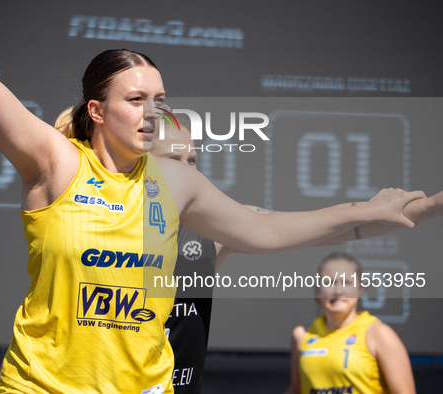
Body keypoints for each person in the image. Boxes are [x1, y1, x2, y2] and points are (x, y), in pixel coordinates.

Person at [0, 1, 436, 392]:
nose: (152, 112)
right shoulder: (57, 162)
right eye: (135, 99)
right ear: (96, 111)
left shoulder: (175, 181)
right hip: (42, 386)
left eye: (159, 100)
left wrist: (364, 212)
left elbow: (266, 228)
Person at [149, 111, 442, 394]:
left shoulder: (210, 234)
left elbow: (322, 228)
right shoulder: (109, 227)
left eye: (192, 161)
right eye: (172, 160)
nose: (187, 172)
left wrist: (427, 208)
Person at [285, 252, 416, 394]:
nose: (338, 291)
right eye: (329, 282)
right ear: (317, 289)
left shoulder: (378, 333)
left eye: (347, 282)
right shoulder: (302, 335)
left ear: (360, 288)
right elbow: (296, 390)